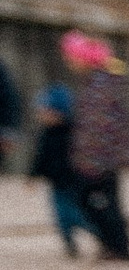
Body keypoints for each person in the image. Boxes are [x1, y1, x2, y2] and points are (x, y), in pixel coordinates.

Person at [62, 31, 129, 262]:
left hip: (98, 159)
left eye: (71, 57)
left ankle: (118, 246)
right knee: (107, 202)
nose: (68, 62)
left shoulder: (99, 85)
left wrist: (88, 159)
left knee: (91, 202)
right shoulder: (100, 82)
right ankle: (118, 246)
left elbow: (98, 127)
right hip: (103, 157)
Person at [27, 83, 92, 257]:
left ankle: (101, 233)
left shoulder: (74, 133)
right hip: (56, 182)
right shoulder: (45, 134)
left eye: (44, 110)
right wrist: (32, 176)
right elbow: (40, 158)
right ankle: (70, 244)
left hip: (74, 181)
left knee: (76, 213)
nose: (40, 114)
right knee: (61, 216)